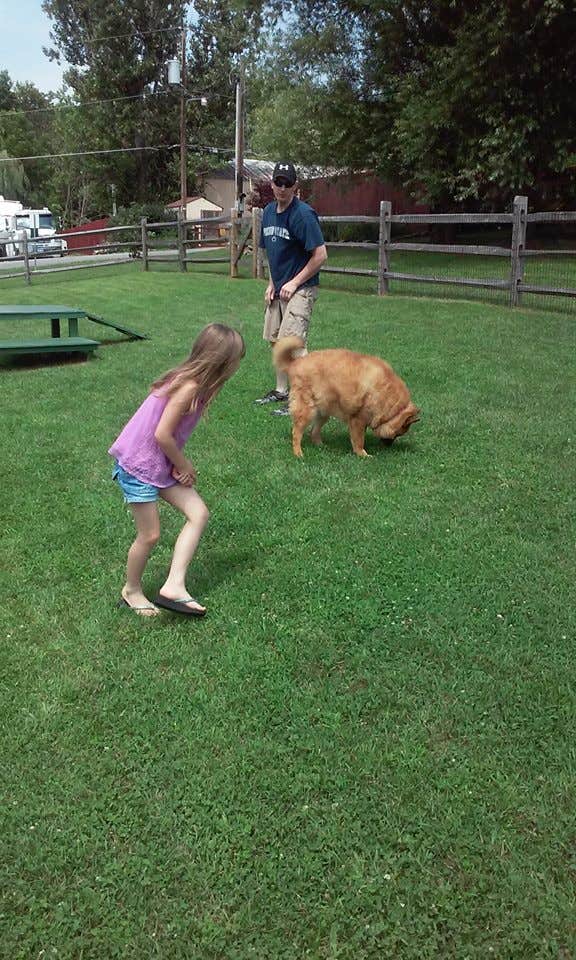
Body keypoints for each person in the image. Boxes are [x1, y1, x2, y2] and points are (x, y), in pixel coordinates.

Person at [108, 323, 245, 617]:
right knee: (150, 535)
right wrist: (183, 465)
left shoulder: (199, 387)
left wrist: (174, 465)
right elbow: (162, 434)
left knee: (198, 513)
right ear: (220, 362)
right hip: (139, 465)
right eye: (235, 361)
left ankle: (174, 585)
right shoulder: (189, 387)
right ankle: (131, 591)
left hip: (159, 463)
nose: (236, 368)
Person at [254, 161, 327, 414]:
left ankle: (304, 397)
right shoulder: (268, 213)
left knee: (292, 343)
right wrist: (272, 284)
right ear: (271, 184)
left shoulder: (303, 215)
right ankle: (281, 390)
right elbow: (272, 254)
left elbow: (320, 255)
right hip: (279, 288)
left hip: (301, 288)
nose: (281, 188)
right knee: (275, 340)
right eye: (278, 182)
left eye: (287, 183)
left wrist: (294, 282)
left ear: (295, 186)